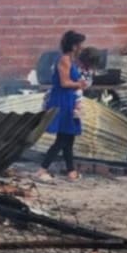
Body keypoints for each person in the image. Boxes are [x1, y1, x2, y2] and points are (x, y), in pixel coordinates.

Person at [37, 30, 88, 181]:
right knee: (63, 139)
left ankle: (71, 172)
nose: (81, 48)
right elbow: (64, 82)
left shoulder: (69, 60)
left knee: (68, 137)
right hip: (63, 101)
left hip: (68, 100)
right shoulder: (64, 60)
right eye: (80, 45)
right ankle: (42, 169)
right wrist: (79, 83)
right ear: (73, 46)